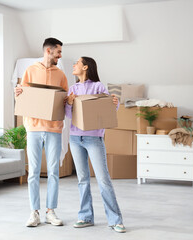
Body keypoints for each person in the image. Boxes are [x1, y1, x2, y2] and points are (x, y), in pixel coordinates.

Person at [65, 57, 126, 233]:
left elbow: (107, 110)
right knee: (82, 179)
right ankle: (85, 217)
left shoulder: (98, 87)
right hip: (76, 138)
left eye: (77, 63)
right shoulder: (73, 89)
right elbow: (70, 116)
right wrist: (69, 104)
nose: (74, 65)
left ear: (85, 67)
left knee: (103, 180)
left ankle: (115, 219)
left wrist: (116, 103)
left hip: (94, 139)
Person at [14, 38, 68, 227]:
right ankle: (34, 212)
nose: (60, 55)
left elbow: (64, 100)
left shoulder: (60, 74)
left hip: (54, 128)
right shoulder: (30, 70)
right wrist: (18, 93)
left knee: (53, 172)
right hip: (34, 128)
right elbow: (23, 97)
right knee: (33, 172)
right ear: (48, 51)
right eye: (58, 52)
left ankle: (50, 212)